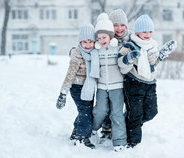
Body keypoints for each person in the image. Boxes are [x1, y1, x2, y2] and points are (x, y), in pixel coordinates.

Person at [117, 14, 177, 148]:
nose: (148, 34)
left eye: (150, 31)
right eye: (144, 31)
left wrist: (161, 55)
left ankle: (130, 123)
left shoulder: (152, 45)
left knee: (151, 112)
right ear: (137, 32)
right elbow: (120, 61)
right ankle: (133, 142)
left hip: (150, 84)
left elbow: (152, 64)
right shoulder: (130, 45)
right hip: (133, 83)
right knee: (136, 113)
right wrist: (129, 58)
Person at [56, 23, 100, 149]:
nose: (87, 45)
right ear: (80, 42)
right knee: (85, 112)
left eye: (90, 41)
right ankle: (82, 137)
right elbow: (69, 75)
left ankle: (76, 131)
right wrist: (63, 93)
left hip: (89, 87)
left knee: (85, 111)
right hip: (77, 87)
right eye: (84, 42)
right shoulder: (77, 55)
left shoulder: (95, 54)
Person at [92, 13, 127, 152]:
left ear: (110, 36)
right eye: (99, 38)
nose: (102, 40)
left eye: (104, 37)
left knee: (116, 113)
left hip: (117, 86)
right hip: (101, 86)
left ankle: (119, 141)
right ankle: (93, 131)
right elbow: (84, 50)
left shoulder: (118, 47)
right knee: (99, 110)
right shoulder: (96, 51)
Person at [99, 8, 132, 141]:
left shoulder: (132, 38)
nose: (119, 29)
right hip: (110, 79)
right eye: (115, 25)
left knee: (121, 109)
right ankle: (107, 127)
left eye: (122, 25)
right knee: (106, 106)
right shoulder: (105, 39)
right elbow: (88, 43)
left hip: (129, 78)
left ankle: (123, 127)